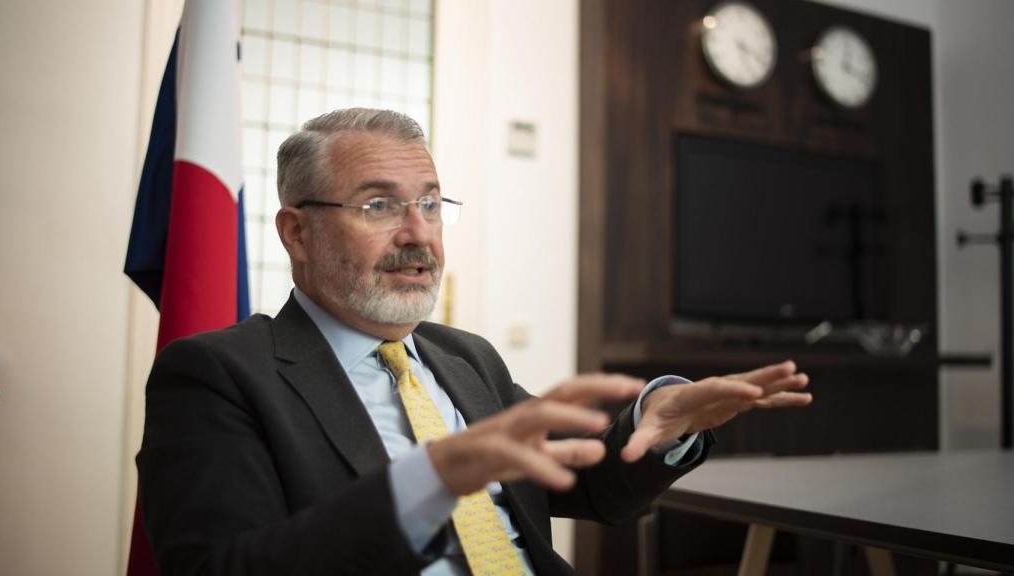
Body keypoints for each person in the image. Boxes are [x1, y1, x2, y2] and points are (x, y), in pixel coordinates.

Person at [137, 108, 812, 576]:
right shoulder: (215, 375)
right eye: (379, 206)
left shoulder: (466, 358)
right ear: (297, 233)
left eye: (430, 204)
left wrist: (653, 429)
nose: (418, 234)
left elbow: (586, 487)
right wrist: (427, 483)